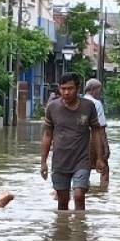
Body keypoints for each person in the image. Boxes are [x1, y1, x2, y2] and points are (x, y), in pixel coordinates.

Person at [41, 72, 107, 211]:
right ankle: (63, 230)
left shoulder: (88, 106)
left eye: (70, 88)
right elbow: (47, 135)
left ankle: (80, 229)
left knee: (78, 195)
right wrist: (43, 162)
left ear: (78, 88)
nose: (66, 92)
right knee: (63, 201)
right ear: (59, 89)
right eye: (63, 89)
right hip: (60, 161)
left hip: (81, 160)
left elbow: (96, 130)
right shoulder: (52, 108)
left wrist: (100, 158)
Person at [83, 78, 111, 181]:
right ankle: (103, 192)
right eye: (99, 89)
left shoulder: (80, 102)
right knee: (104, 168)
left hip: (81, 139)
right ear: (92, 89)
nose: (100, 92)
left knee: (84, 168)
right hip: (94, 139)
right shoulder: (96, 103)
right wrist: (106, 147)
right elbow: (101, 128)